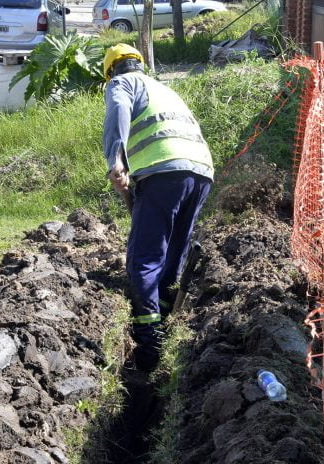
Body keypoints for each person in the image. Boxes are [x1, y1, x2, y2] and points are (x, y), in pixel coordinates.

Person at [102, 44, 214, 372]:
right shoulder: (163, 88)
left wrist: (116, 159)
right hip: (200, 172)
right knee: (173, 253)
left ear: (111, 71)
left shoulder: (121, 84)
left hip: (163, 170)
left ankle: (149, 343)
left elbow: (119, 109)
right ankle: (164, 317)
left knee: (144, 256)